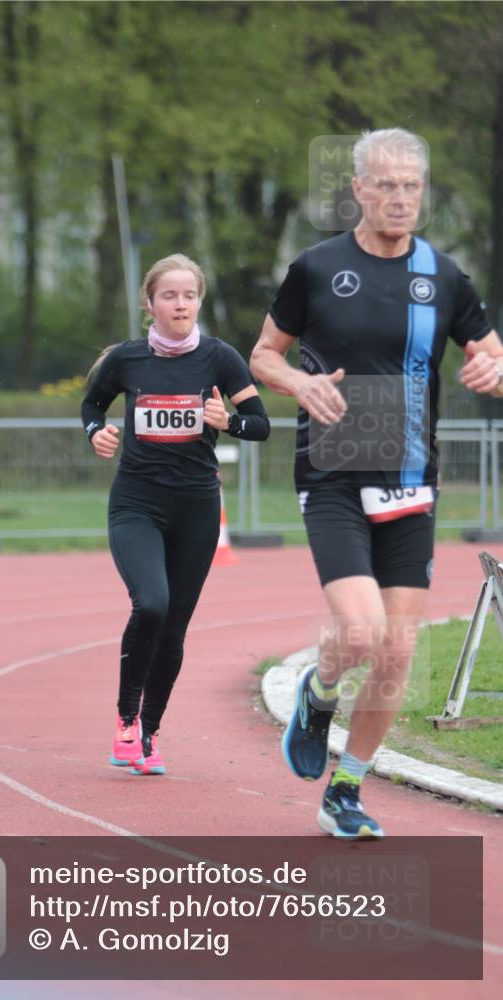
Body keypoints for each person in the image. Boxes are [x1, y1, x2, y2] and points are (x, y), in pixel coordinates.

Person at [250, 128, 503, 839]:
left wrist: (492, 368)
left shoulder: (442, 276)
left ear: (422, 193)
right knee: (358, 633)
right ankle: (319, 691)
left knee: (397, 650)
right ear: (357, 189)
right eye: (384, 185)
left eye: (410, 186)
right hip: (331, 471)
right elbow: (263, 355)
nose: (398, 198)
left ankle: (347, 788)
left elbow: (489, 351)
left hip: (411, 481)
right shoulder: (316, 266)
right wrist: (299, 381)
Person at [81, 253, 270, 775]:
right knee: (152, 604)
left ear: (199, 301)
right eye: (170, 295)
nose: (180, 304)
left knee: (174, 629)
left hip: (197, 508)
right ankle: (125, 717)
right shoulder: (126, 359)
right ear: (150, 303)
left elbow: (261, 424)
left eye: (189, 295)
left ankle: (149, 733)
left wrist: (228, 421)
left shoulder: (220, 358)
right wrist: (96, 432)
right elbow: (91, 405)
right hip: (137, 502)